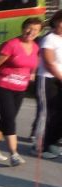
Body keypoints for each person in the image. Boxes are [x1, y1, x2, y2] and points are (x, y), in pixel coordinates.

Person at [0, 17, 42, 165]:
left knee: (6, 119)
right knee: (9, 119)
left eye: (35, 30)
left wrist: (32, 75)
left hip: (20, 89)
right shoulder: (11, 44)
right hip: (3, 86)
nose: (31, 32)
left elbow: (32, 65)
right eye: (29, 28)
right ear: (23, 28)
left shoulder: (35, 47)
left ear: (39, 32)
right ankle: (14, 154)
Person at [34, 10, 62, 158]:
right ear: (55, 22)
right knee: (46, 114)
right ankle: (40, 147)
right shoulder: (49, 39)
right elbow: (49, 63)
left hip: (59, 80)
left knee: (58, 114)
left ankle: (51, 142)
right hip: (47, 80)